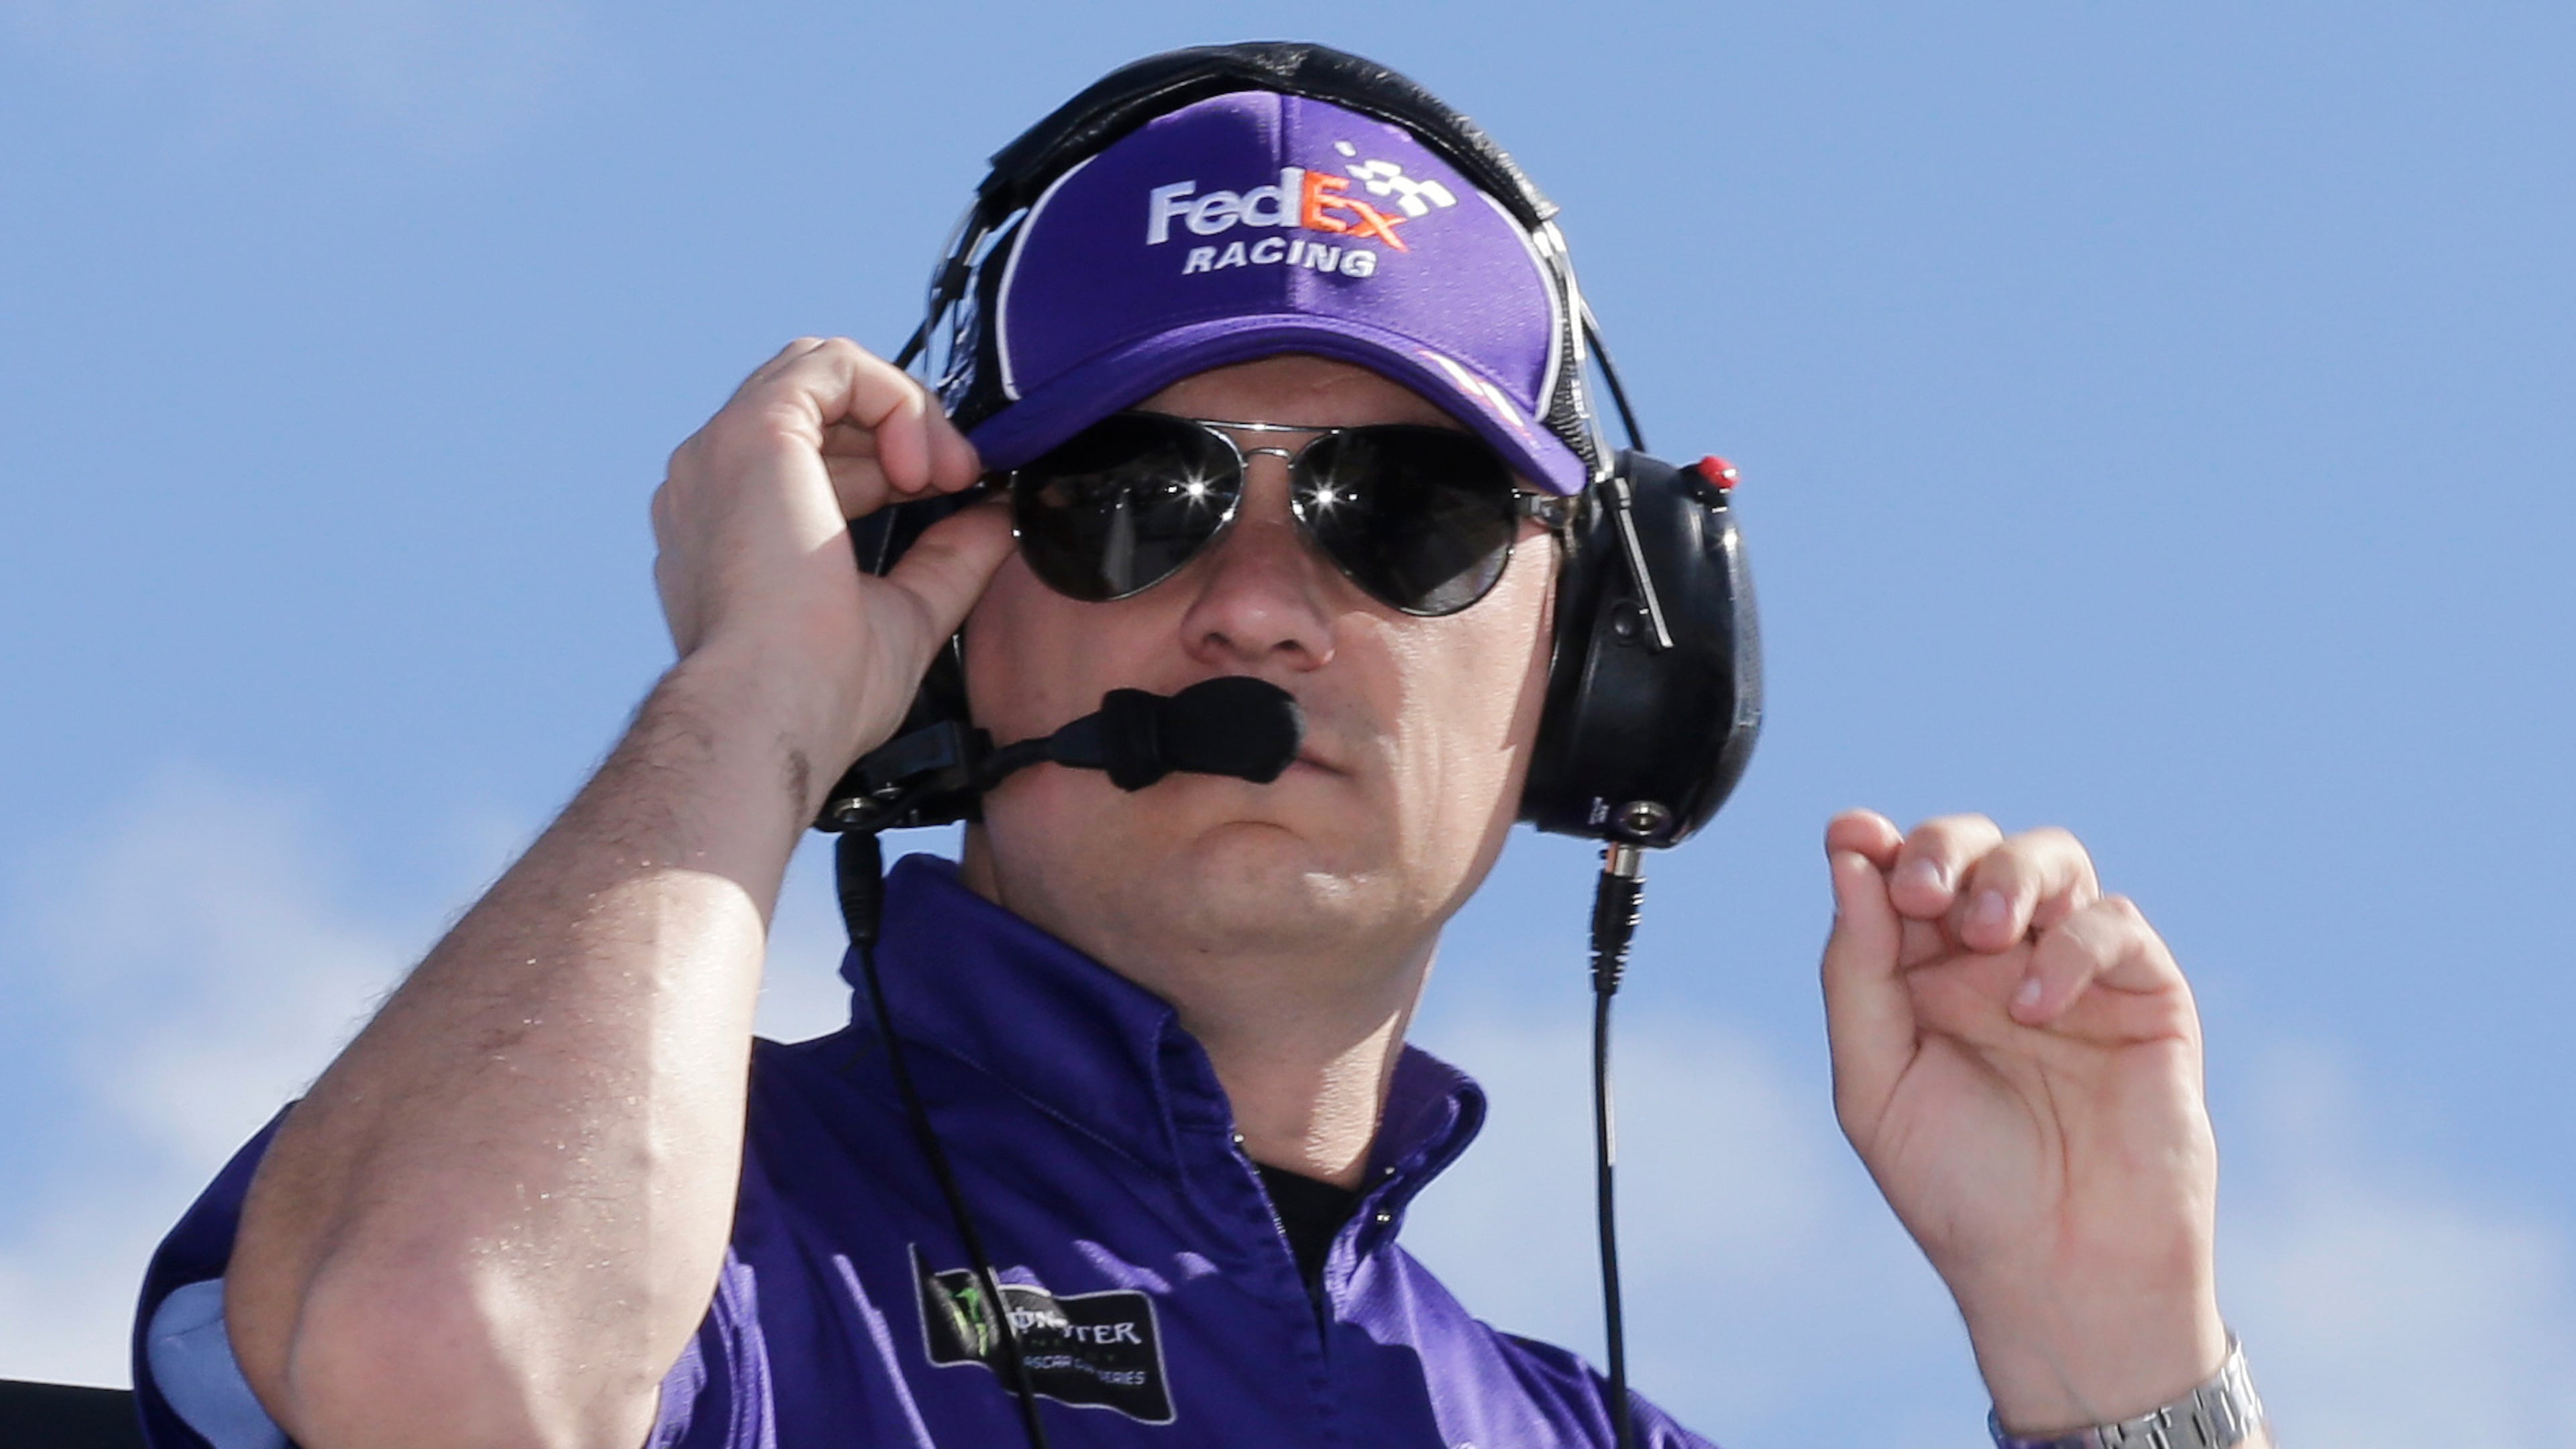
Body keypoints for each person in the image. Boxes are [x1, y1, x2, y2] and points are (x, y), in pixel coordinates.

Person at [131, 47, 2271, 1449]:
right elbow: (440, 1361)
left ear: (1606, 661)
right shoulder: (693, 1248)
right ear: (947, 611)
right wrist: (746, 714)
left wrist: (2117, 1362)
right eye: (1137, 499)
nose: (1254, 602)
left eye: (1406, 517)